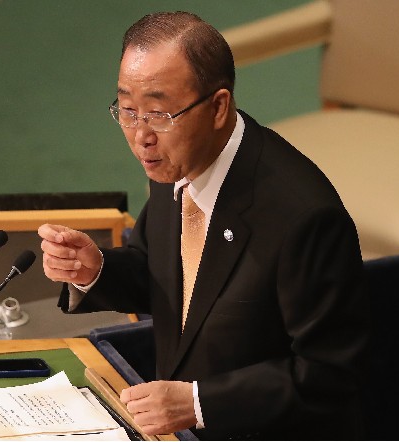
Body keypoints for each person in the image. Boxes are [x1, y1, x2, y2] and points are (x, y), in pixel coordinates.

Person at [38, 11, 369, 440]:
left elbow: (330, 375)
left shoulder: (303, 218)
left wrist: (197, 403)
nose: (141, 135)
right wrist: (97, 270)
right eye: (127, 110)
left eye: (157, 113)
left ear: (217, 108)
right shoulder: (173, 160)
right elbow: (169, 278)